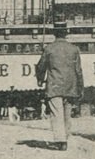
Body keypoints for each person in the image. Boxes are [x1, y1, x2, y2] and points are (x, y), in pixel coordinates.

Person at [35, 20, 84, 151]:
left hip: (54, 85)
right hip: (70, 86)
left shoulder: (49, 48)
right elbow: (79, 71)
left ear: (54, 34)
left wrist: (40, 79)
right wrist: (80, 87)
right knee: (67, 114)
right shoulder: (74, 49)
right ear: (66, 33)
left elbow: (41, 66)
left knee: (57, 114)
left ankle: (60, 141)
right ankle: (65, 138)